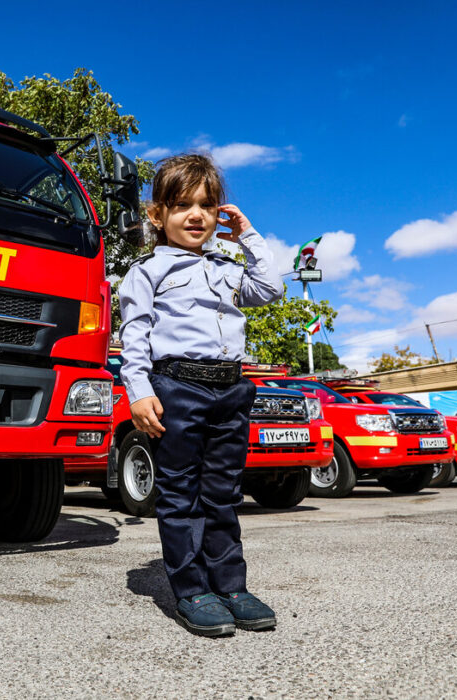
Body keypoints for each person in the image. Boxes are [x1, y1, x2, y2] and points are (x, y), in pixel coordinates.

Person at [118, 154, 285, 637]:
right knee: (180, 495)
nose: (196, 215)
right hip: (177, 387)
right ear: (157, 215)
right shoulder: (146, 271)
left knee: (223, 493)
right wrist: (139, 391)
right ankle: (192, 590)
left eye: (207, 206)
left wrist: (248, 236)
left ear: (219, 214)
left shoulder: (229, 269)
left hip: (229, 388)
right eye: (182, 205)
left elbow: (270, 290)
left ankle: (231, 586)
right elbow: (135, 336)